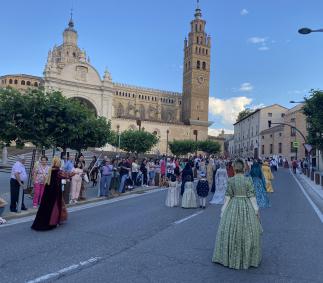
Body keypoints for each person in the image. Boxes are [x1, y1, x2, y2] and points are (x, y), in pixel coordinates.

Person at [212, 159, 262, 269]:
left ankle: (230, 256)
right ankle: (246, 257)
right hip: (246, 205)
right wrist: (256, 210)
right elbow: (252, 197)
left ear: (234, 168)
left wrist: (223, 210)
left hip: (233, 205)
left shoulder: (231, 180)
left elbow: (227, 197)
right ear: (244, 168)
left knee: (230, 229)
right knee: (247, 230)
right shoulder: (248, 180)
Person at [31, 157, 73, 231]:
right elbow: (67, 175)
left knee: (45, 207)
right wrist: (75, 173)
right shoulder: (57, 171)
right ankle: (52, 222)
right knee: (54, 208)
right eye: (59, 162)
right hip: (54, 192)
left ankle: (43, 222)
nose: (60, 163)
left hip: (48, 192)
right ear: (57, 163)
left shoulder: (51, 169)